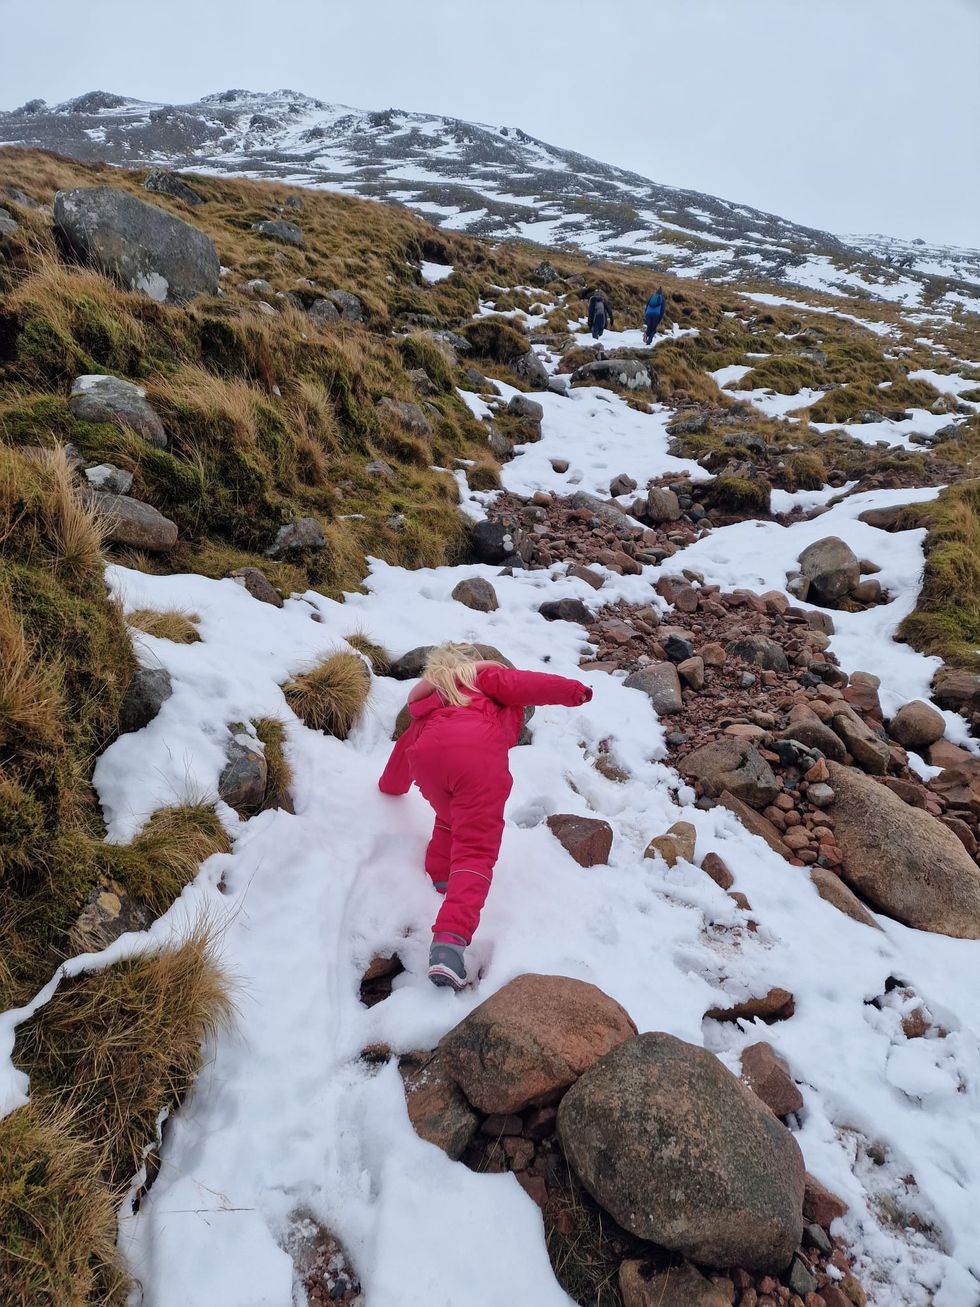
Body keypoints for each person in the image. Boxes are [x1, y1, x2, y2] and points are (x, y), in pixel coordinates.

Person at [378, 643, 592, 989]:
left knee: (451, 815)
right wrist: (572, 691)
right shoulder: (485, 678)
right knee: (475, 851)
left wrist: (391, 786)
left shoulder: (430, 706)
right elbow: (528, 684)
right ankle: (449, 944)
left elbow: (405, 750)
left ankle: (441, 876)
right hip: (478, 755)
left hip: (430, 762)